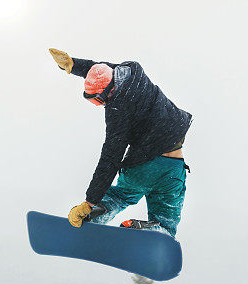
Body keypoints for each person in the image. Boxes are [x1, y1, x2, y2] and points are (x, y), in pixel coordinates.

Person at [49, 48, 192, 237]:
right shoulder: (132, 70)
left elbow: (111, 156)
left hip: (144, 167)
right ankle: (158, 230)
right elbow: (102, 70)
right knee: (167, 222)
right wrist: (73, 65)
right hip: (174, 168)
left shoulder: (118, 108)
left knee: (120, 196)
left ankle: (93, 216)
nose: (102, 105)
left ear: (107, 93)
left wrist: (90, 201)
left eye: (99, 100)